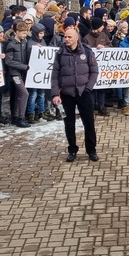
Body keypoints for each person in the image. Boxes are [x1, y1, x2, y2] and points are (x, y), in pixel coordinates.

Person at [51, 26, 99, 162]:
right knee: (69, 123)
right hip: (67, 94)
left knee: (89, 123)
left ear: (76, 38)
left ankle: (91, 150)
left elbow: (94, 72)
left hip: (84, 92)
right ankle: (72, 150)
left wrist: (88, 88)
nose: (66, 39)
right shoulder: (60, 54)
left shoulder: (88, 52)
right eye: (65, 37)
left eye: (69, 37)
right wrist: (55, 94)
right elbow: (54, 75)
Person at [3, 21, 32, 128]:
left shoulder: (24, 42)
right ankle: (21, 117)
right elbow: (8, 61)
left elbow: (28, 51)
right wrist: (23, 67)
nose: (25, 35)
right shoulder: (11, 44)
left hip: (22, 72)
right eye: (23, 33)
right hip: (14, 73)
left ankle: (15, 116)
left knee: (18, 94)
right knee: (24, 93)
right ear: (17, 32)